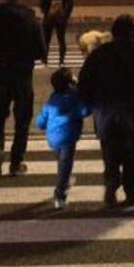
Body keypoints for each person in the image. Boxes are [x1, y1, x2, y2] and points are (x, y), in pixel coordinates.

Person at [78, 14, 134, 208]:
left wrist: (87, 103)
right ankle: (131, 190)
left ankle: (111, 181)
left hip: (106, 111)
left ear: (113, 33)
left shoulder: (99, 54)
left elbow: (85, 81)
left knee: (110, 150)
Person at [0, 0, 47, 179]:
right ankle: (16, 162)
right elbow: (41, 49)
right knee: (22, 120)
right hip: (23, 75)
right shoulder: (30, 17)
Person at [35, 67, 90, 209]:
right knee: (66, 165)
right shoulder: (73, 97)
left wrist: (42, 124)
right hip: (68, 137)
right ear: (70, 83)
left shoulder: (52, 99)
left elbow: (41, 121)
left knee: (61, 161)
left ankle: (65, 180)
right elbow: (85, 110)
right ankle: (60, 194)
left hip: (53, 138)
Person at [39, 0, 74, 66]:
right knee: (61, 39)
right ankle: (61, 61)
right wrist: (66, 15)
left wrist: (45, 12)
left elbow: (42, 4)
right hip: (61, 19)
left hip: (49, 19)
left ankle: (45, 59)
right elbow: (70, 3)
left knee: (46, 39)